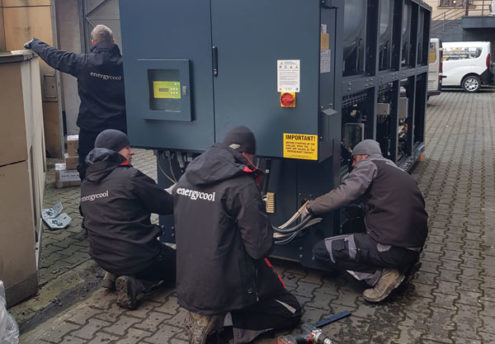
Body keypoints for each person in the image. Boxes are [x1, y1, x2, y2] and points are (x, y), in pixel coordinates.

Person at [173, 126, 301, 344]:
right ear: (246, 154)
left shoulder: (186, 177)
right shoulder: (241, 185)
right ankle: (224, 329)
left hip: (187, 284)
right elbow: (259, 248)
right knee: (289, 309)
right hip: (225, 285)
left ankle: (205, 314)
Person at [304, 139, 428, 303]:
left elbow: (345, 194)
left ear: (363, 156)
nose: (354, 166)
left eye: (354, 160)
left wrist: (311, 207)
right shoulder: (395, 170)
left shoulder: (368, 165)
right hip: (412, 248)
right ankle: (399, 266)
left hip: (390, 248)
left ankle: (382, 277)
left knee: (321, 250)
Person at [80, 129, 175, 310]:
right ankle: (136, 284)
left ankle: (114, 274)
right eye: (126, 148)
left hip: (101, 256)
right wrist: (178, 191)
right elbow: (166, 205)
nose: (131, 152)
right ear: (114, 152)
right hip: (138, 256)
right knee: (180, 268)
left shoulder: (86, 183)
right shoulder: (130, 177)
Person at [24, 25, 126, 180]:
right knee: (120, 169)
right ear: (112, 41)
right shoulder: (125, 65)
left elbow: (56, 57)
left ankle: (91, 199)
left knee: (88, 169)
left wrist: (35, 44)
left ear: (93, 42)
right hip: (119, 128)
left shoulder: (83, 62)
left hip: (91, 130)